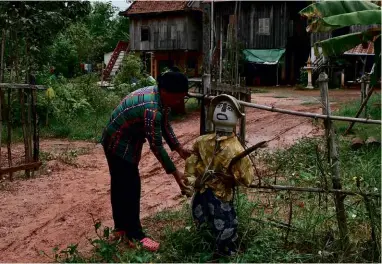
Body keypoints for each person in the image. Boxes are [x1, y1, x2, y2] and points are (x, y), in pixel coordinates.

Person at [101, 71, 192, 252]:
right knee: (130, 186)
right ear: (166, 91)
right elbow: (156, 146)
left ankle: (120, 229)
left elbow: (165, 125)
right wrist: (176, 174)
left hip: (127, 139)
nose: (179, 101)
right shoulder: (152, 108)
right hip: (118, 142)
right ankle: (135, 236)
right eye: (178, 97)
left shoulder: (160, 99)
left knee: (121, 184)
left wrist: (179, 148)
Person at [184, 94, 254, 256]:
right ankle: (205, 249)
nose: (222, 111)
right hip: (202, 191)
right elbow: (192, 162)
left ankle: (225, 253)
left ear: (236, 116)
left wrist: (233, 180)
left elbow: (247, 178)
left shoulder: (236, 149)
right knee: (201, 220)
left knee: (225, 224)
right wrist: (191, 180)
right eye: (219, 107)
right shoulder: (202, 141)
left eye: (228, 108)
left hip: (221, 195)